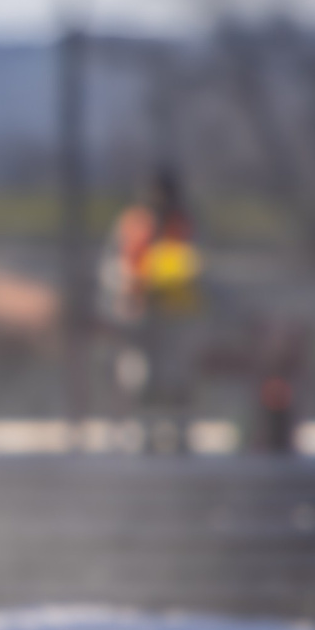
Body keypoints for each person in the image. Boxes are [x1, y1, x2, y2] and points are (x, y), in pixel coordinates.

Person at [103, 167, 204, 455]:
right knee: (138, 378)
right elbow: (113, 264)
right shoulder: (132, 223)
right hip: (139, 315)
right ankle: (141, 439)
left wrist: (169, 275)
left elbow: (196, 263)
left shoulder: (185, 224)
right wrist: (125, 282)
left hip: (176, 317)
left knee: (177, 382)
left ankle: (181, 438)